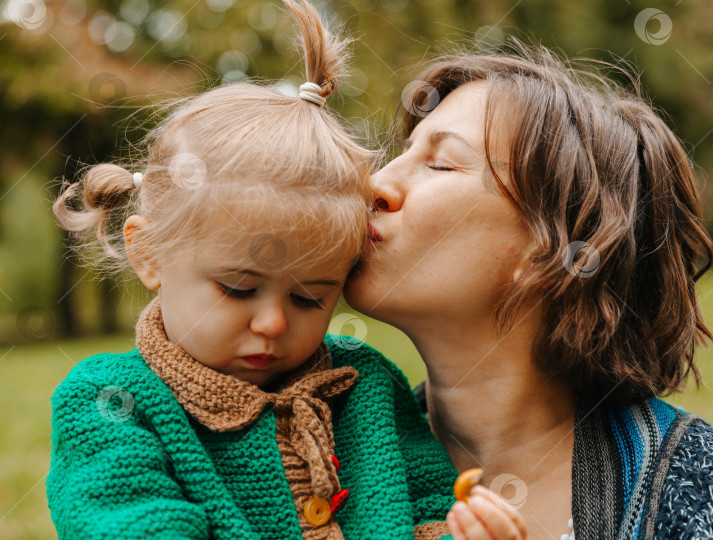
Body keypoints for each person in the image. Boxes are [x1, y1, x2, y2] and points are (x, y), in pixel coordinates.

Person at [344, 42, 713, 539]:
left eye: (440, 164)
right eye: (401, 153)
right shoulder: (310, 450)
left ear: (554, 249)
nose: (374, 183)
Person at [46, 1, 473, 538]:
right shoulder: (113, 400)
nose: (272, 323)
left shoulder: (365, 385)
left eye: (309, 298)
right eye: (238, 288)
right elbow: (131, 522)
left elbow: (431, 502)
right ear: (150, 253)